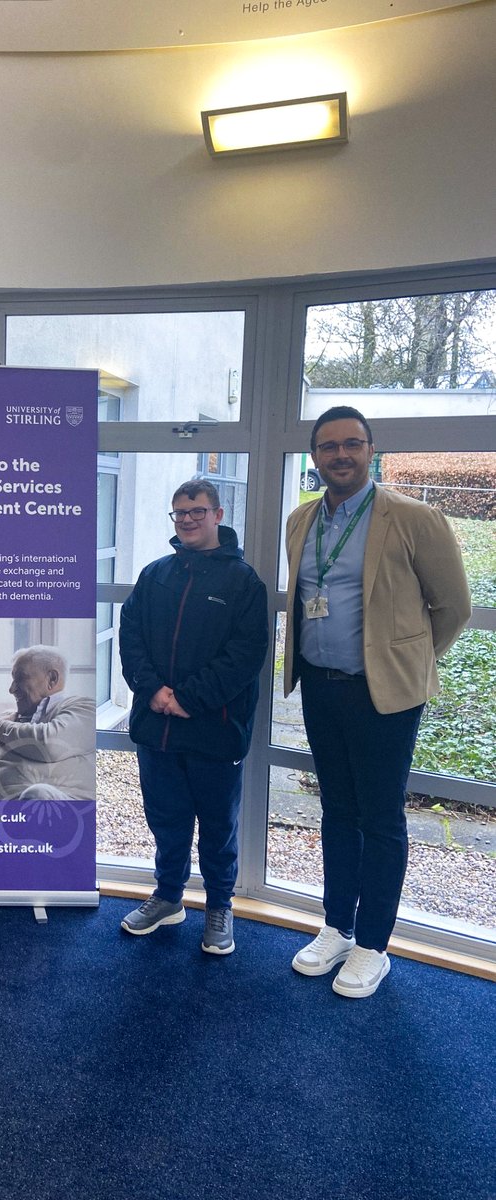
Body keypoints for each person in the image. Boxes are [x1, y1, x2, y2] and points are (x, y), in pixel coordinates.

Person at [285, 406, 471, 998]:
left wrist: (402, 661)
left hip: (382, 695)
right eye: (329, 446)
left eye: (352, 444)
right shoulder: (300, 519)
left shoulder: (414, 518)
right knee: (337, 811)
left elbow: (454, 607)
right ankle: (337, 927)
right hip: (320, 685)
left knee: (381, 819)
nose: (340, 455)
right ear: (315, 455)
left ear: (371, 450)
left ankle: (373, 945)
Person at [118, 478, 268, 955]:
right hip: (156, 726)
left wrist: (188, 698)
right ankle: (168, 897)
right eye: (179, 513)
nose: (186, 520)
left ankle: (220, 906)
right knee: (167, 818)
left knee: (218, 826)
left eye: (196, 512)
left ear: (218, 515)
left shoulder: (243, 582)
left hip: (214, 728)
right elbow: (131, 638)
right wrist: (154, 691)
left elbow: (245, 656)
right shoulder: (155, 574)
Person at [0, 646, 95, 800]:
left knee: (38, 794)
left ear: (52, 679)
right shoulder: (5, 722)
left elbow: (50, 744)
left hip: (58, 808)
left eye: (20, 678)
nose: (11, 689)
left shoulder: (84, 708)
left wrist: (0, 726)